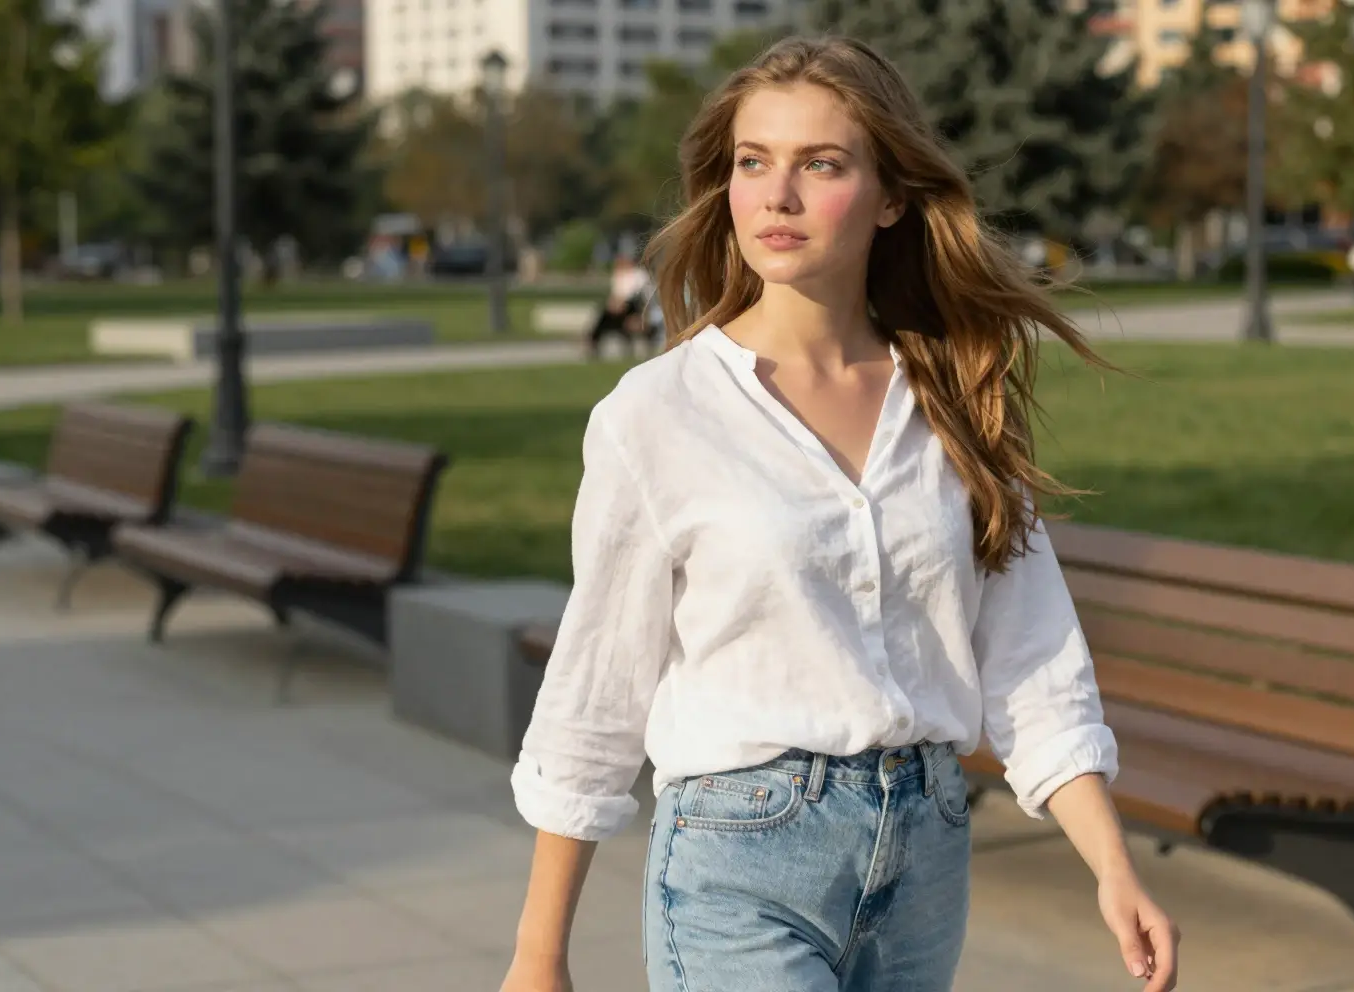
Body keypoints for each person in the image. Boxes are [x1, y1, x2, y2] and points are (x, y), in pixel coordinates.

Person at [501, 34, 1180, 992]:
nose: (776, 197)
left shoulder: (954, 396)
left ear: (892, 195)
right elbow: (596, 690)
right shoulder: (656, 415)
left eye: (820, 164)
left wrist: (1114, 869)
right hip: (739, 862)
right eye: (752, 163)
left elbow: (1030, 653)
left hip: (927, 861)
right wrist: (539, 956)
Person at [586, 255, 650, 360]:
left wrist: (621, 303)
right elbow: (616, 294)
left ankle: (594, 341)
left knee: (615, 314)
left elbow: (636, 295)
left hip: (632, 306)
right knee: (603, 317)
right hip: (618, 307)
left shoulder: (639, 275)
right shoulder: (620, 276)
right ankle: (593, 342)